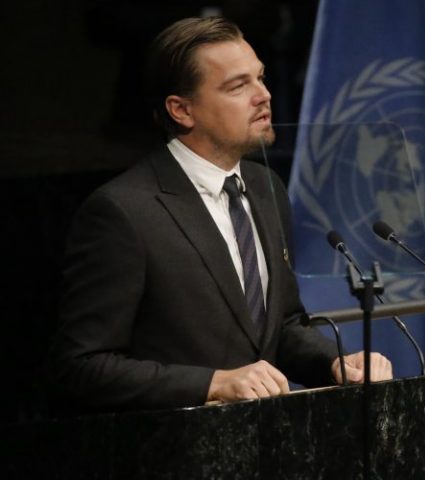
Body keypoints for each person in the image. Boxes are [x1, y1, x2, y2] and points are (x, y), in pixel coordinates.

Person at [50, 16, 392, 412]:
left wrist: (334, 362)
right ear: (182, 110)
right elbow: (82, 366)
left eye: (260, 78)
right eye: (238, 86)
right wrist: (212, 383)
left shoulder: (266, 187)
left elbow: (279, 326)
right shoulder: (123, 212)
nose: (263, 95)